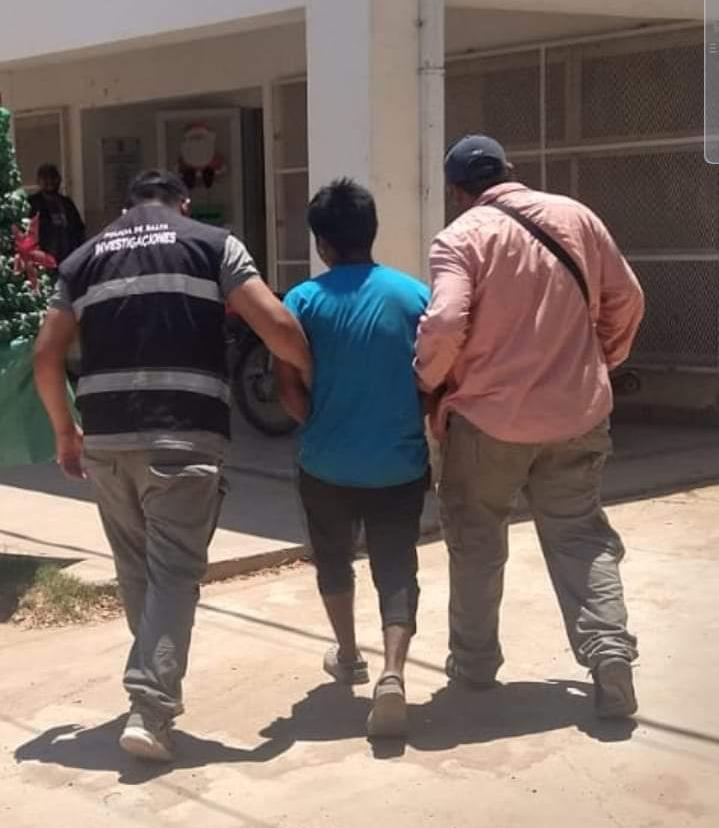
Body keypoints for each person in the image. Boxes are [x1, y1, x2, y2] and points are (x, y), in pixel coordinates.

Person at [34, 170, 311, 761]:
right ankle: (151, 705)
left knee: (139, 571)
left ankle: (151, 681)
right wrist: (313, 380)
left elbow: (45, 354)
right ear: (183, 204)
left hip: (107, 440)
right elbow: (277, 327)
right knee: (174, 574)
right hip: (182, 436)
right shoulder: (213, 244)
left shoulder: (83, 259)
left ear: (125, 209)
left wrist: (64, 432)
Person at [415, 135, 645, 719]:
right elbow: (628, 298)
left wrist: (428, 380)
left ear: (457, 191)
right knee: (580, 536)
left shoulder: (459, 238)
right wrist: (601, 361)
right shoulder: (577, 217)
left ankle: (474, 664)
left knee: (476, 543)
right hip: (577, 414)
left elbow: (444, 321)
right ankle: (609, 654)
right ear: (510, 170)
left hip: (486, 423)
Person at [275, 179, 430, 738]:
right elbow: (435, 378)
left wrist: (318, 424)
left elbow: (288, 391)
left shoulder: (301, 302)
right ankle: (393, 674)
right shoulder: (416, 297)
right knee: (396, 565)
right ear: (373, 231)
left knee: (333, 558)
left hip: (326, 464)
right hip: (400, 464)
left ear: (322, 243)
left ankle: (347, 654)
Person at [29, 163, 85, 264]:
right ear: (38, 181)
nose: (50, 181)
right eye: (45, 178)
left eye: (53, 177)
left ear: (59, 179)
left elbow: (79, 229)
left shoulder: (67, 203)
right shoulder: (32, 203)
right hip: (43, 259)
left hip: (68, 258)